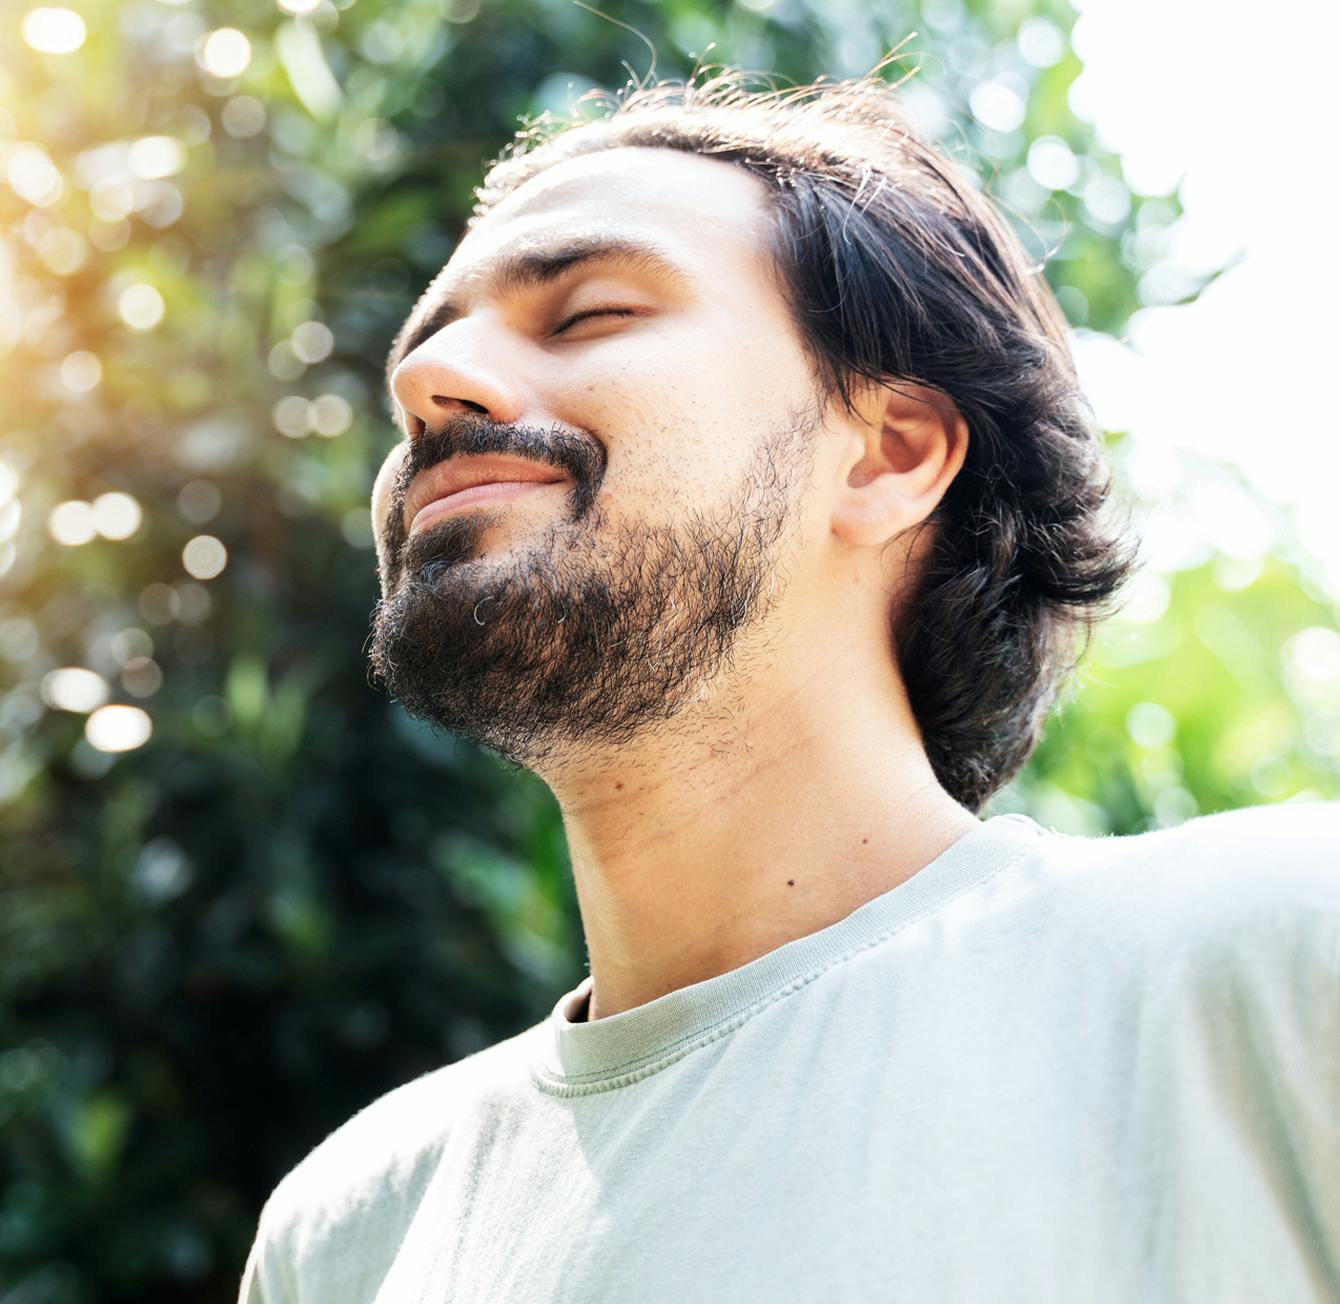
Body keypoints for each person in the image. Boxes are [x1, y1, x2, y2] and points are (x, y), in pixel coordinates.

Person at [238, 66, 1340, 1303]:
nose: (425, 380)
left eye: (588, 312)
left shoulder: (1278, 956)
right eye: (424, 345)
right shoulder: (349, 1233)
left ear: (887, 455)